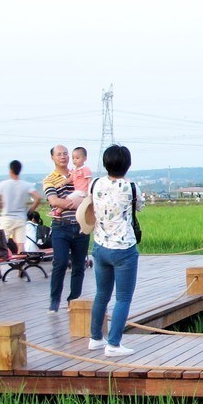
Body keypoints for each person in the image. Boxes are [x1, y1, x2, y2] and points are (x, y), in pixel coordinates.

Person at [87, 144, 144, 357]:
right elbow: (140, 207)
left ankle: (95, 338)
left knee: (101, 294)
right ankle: (113, 344)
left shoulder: (95, 183)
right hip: (124, 248)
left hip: (100, 246)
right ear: (127, 164)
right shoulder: (132, 188)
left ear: (105, 163)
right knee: (123, 298)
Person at [43, 144, 90, 314]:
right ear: (52, 158)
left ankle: (74, 300)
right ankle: (54, 301)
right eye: (59, 154)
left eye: (65, 154)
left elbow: (88, 193)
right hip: (61, 226)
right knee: (60, 263)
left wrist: (79, 204)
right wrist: (78, 205)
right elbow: (54, 201)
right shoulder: (49, 179)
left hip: (81, 226)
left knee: (79, 266)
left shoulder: (77, 173)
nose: (63, 157)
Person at [0, 160, 42, 257]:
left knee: (1, 243)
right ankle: (20, 264)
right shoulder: (26, 185)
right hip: (21, 218)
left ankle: (2, 263)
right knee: (20, 244)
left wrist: (2, 207)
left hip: (7, 217)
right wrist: (31, 210)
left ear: (10, 170)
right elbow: (38, 198)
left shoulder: (3, 184)